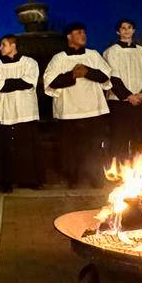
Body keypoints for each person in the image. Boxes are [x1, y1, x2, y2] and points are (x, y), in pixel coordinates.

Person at [44, 23, 112, 188]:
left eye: (84, 31)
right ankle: (72, 179)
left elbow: (106, 76)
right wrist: (72, 74)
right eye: (79, 32)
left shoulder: (93, 55)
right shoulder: (59, 58)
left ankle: (96, 177)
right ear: (69, 36)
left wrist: (87, 71)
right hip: (68, 111)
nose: (83, 35)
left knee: (94, 146)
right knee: (70, 149)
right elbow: (50, 81)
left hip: (92, 109)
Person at [0, 34, 43, 192]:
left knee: (27, 148)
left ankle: (30, 180)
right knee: (5, 149)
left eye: (3, 44)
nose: (0, 48)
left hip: (26, 111)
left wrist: (6, 82)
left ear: (13, 46)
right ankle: (6, 181)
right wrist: (13, 82)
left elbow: (28, 82)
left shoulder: (29, 62)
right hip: (5, 112)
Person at [102, 18, 142, 159]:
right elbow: (112, 77)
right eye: (123, 28)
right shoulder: (111, 52)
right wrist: (128, 96)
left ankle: (141, 172)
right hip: (120, 103)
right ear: (118, 32)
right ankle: (119, 172)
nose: (127, 30)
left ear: (134, 30)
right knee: (120, 139)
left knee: (141, 138)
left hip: (140, 101)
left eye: (130, 27)